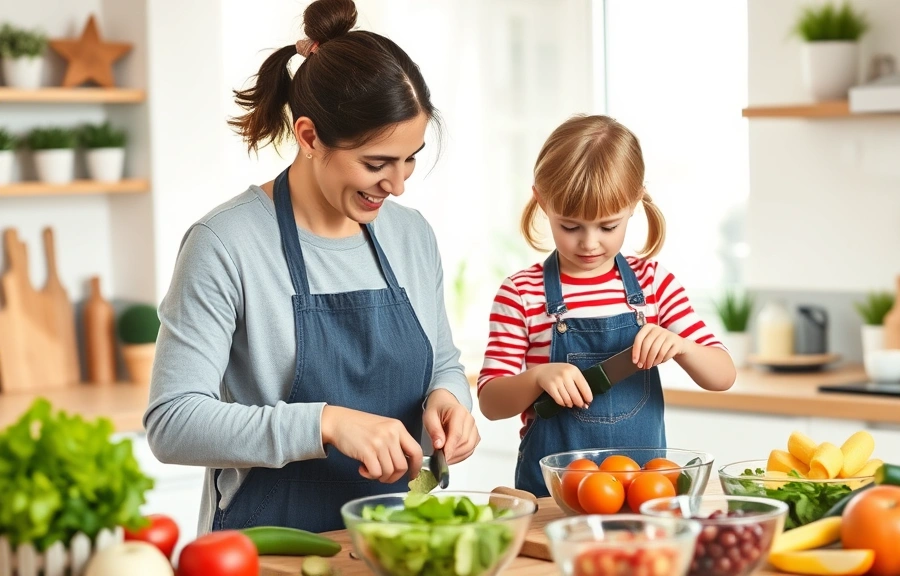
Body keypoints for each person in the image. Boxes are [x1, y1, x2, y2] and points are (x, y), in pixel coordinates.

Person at [144, 0, 479, 534]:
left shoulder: (411, 234)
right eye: (375, 163)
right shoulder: (225, 243)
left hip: (396, 543)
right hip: (268, 547)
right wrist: (325, 423)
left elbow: (442, 362)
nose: (398, 184)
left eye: (410, 157)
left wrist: (450, 398)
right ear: (308, 136)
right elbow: (172, 422)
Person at [476, 114, 736, 497]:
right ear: (541, 201)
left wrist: (681, 346)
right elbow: (491, 402)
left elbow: (722, 375)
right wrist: (537, 378)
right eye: (570, 226)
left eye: (607, 226)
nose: (589, 243)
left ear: (635, 203)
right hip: (554, 498)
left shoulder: (653, 284)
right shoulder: (522, 293)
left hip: (643, 493)